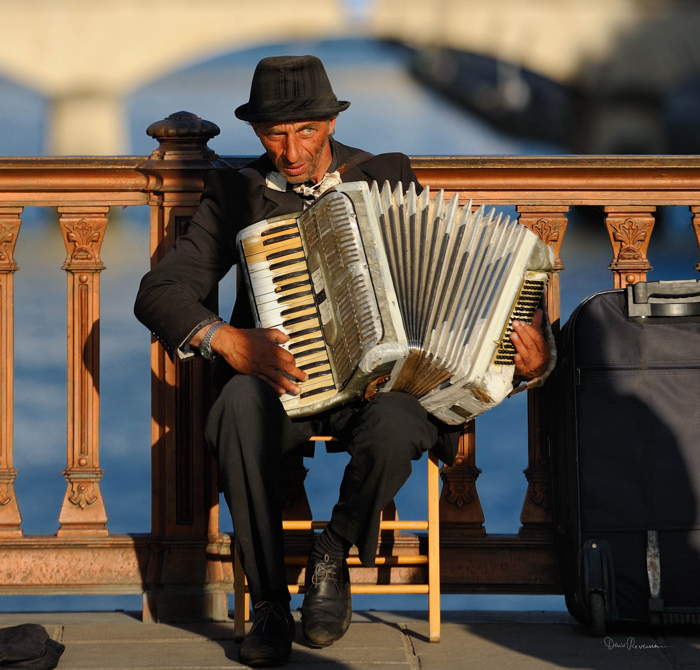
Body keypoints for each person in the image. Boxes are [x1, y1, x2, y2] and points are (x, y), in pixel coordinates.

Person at [134, 55, 553, 668]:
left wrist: (528, 364)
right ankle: (272, 604)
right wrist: (225, 339)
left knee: (401, 423)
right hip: (281, 386)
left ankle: (332, 555)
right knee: (233, 411)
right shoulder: (236, 193)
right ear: (256, 133)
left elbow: (449, 301)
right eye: (274, 134)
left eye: (305, 130)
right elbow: (160, 292)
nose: (291, 149)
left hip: (376, 392)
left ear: (330, 123)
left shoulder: (386, 177)